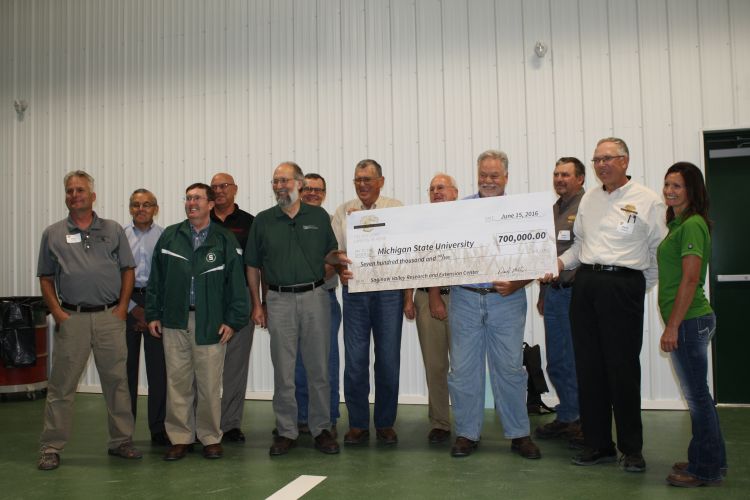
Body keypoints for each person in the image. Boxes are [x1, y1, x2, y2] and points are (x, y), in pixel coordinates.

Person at [558, 137, 667, 472]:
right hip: (586, 285)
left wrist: (633, 288)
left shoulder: (648, 201)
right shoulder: (588, 199)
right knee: (589, 369)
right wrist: (560, 264)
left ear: (625, 161)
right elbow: (579, 245)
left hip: (623, 287)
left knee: (622, 371)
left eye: (608, 158)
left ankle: (631, 449)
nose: (601, 165)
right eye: (596, 160)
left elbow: (656, 255)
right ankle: (598, 444)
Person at [37, 170, 141, 471]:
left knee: (117, 382)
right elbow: (45, 278)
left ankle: (121, 441)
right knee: (62, 386)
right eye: (69, 191)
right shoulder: (53, 233)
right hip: (73, 319)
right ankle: (51, 446)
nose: (74, 195)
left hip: (110, 317)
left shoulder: (112, 230)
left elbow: (128, 270)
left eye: (80, 190)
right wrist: (57, 312)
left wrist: (122, 308)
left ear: (92, 196)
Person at [146, 183, 249, 461]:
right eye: (188, 198)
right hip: (174, 321)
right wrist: (153, 313)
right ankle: (180, 438)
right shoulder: (170, 236)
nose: (191, 203)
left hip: (210, 322)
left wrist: (233, 320)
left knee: (209, 384)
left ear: (210, 204)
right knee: (177, 382)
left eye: (197, 198)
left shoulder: (224, 239)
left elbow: (237, 285)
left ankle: (210, 438)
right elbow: (156, 279)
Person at [448, 151, 541, 459]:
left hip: (508, 299)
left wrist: (518, 282)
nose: (488, 181)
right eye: (483, 175)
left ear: (506, 178)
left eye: (494, 176)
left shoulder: (524, 212)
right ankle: (466, 433)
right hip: (465, 297)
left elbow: (536, 256)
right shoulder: (458, 211)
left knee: (511, 369)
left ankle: (519, 434)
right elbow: (441, 252)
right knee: (463, 370)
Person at [245, 162, 341, 456]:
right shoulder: (263, 220)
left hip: (315, 297)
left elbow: (331, 254)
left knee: (318, 368)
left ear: (299, 183)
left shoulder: (319, 216)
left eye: (285, 180)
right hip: (279, 300)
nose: (279, 186)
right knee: (284, 371)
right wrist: (258, 304)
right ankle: (286, 431)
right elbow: (252, 264)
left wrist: (345, 261)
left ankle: (321, 428)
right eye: (275, 181)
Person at [658, 162, 727, 487]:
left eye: (678, 186)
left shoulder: (693, 225)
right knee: (700, 397)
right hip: (688, 320)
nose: (670, 191)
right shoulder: (679, 224)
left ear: (692, 190)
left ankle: (705, 470)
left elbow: (689, 280)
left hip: (689, 320)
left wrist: (672, 326)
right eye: (667, 185)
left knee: (698, 398)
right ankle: (707, 458)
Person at [331, 159, 404, 445]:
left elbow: (405, 248)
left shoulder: (395, 209)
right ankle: (358, 424)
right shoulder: (342, 211)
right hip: (356, 294)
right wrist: (340, 270)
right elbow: (334, 252)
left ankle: (385, 423)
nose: (362, 185)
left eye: (367, 180)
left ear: (380, 182)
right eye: (358, 180)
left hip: (388, 292)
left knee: (388, 359)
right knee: (356, 360)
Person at [403, 173, 458, 444]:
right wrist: (407, 298)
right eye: (432, 189)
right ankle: (440, 422)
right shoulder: (420, 224)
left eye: (442, 188)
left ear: (455, 193)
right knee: (435, 365)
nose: (437, 192)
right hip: (425, 298)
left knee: (463, 366)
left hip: (462, 298)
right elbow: (411, 263)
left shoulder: (467, 220)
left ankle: (468, 421)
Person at [534, 158, 585, 444]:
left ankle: (582, 420)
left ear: (580, 178)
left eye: (566, 174)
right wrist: (543, 293)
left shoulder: (587, 206)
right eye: (556, 174)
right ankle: (567, 416)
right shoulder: (553, 210)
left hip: (576, 294)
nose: (559, 179)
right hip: (554, 295)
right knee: (557, 360)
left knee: (576, 359)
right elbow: (545, 256)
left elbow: (581, 250)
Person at [293, 173, 342, 436]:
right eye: (308, 189)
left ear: (325, 193)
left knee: (326, 362)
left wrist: (311, 278)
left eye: (318, 190)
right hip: (292, 301)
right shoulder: (288, 220)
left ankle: (328, 417)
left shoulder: (331, 222)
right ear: (299, 190)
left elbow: (338, 259)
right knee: (297, 362)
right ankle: (301, 417)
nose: (313, 193)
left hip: (323, 297)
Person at [209, 172, 256, 444]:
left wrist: (257, 303)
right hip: (209, 304)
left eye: (224, 186)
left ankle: (230, 425)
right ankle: (203, 422)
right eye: (214, 187)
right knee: (204, 366)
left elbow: (255, 267)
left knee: (235, 367)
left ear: (235, 189)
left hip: (240, 303)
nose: (219, 191)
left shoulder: (249, 223)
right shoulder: (202, 221)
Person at [124, 189, 168, 446]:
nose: (141, 209)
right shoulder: (119, 236)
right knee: (124, 372)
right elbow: (113, 276)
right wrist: (131, 307)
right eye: (136, 205)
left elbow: (167, 278)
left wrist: (152, 310)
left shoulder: (165, 237)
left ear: (155, 208)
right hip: (125, 305)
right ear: (130, 208)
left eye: (147, 204)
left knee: (159, 370)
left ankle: (159, 427)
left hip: (155, 305)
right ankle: (124, 430)